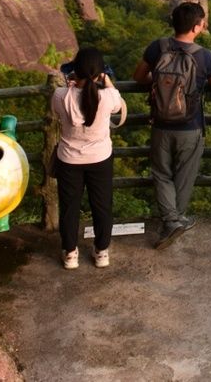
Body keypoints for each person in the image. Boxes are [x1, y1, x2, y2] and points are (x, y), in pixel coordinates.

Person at [132, 1, 211, 249]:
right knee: (185, 173)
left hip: (161, 123)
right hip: (190, 126)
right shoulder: (203, 55)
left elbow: (139, 77)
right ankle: (176, 220)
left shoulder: (158, 47)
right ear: (196, 27)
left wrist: (160, 82)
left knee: (161, 173)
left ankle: (172, 221)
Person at [51, 46, 126, 270]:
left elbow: (62, 107)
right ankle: (102, 252)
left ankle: (70, 254)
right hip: (100, 159)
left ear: (76, 70)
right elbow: (116, 101)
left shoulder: (60, 96)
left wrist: (71, 85)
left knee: (69, 207)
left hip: (68, 160)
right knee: (102, 206)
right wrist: (106, 79)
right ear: (99, 74)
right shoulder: (107, 97)